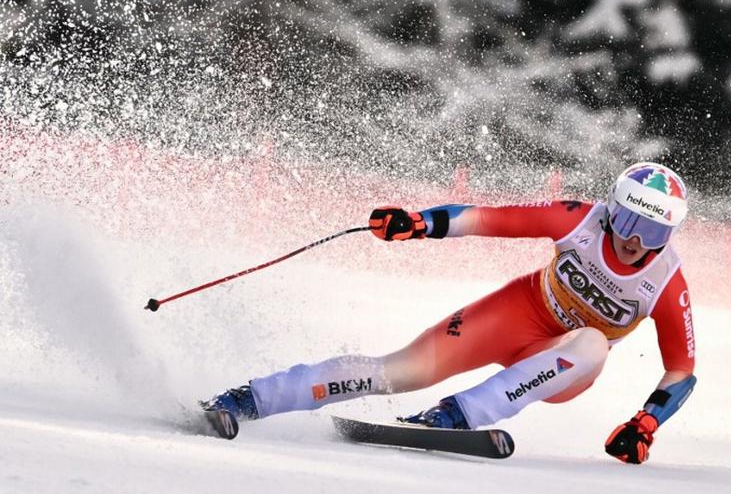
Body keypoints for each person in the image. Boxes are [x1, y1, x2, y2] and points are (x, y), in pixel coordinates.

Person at [202, 162, 697, 464]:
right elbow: (487, 218)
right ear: (612, 210)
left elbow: (682, 368)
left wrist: (645, 424)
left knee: (591, 342)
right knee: (401, 370)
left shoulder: (666, 283)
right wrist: (419, 224)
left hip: (563, 363)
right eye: (629, 221)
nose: (635, 241)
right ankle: (250, 398)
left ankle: (460, 415)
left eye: (653, 233)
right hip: (518, 310)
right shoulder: (578, 219)